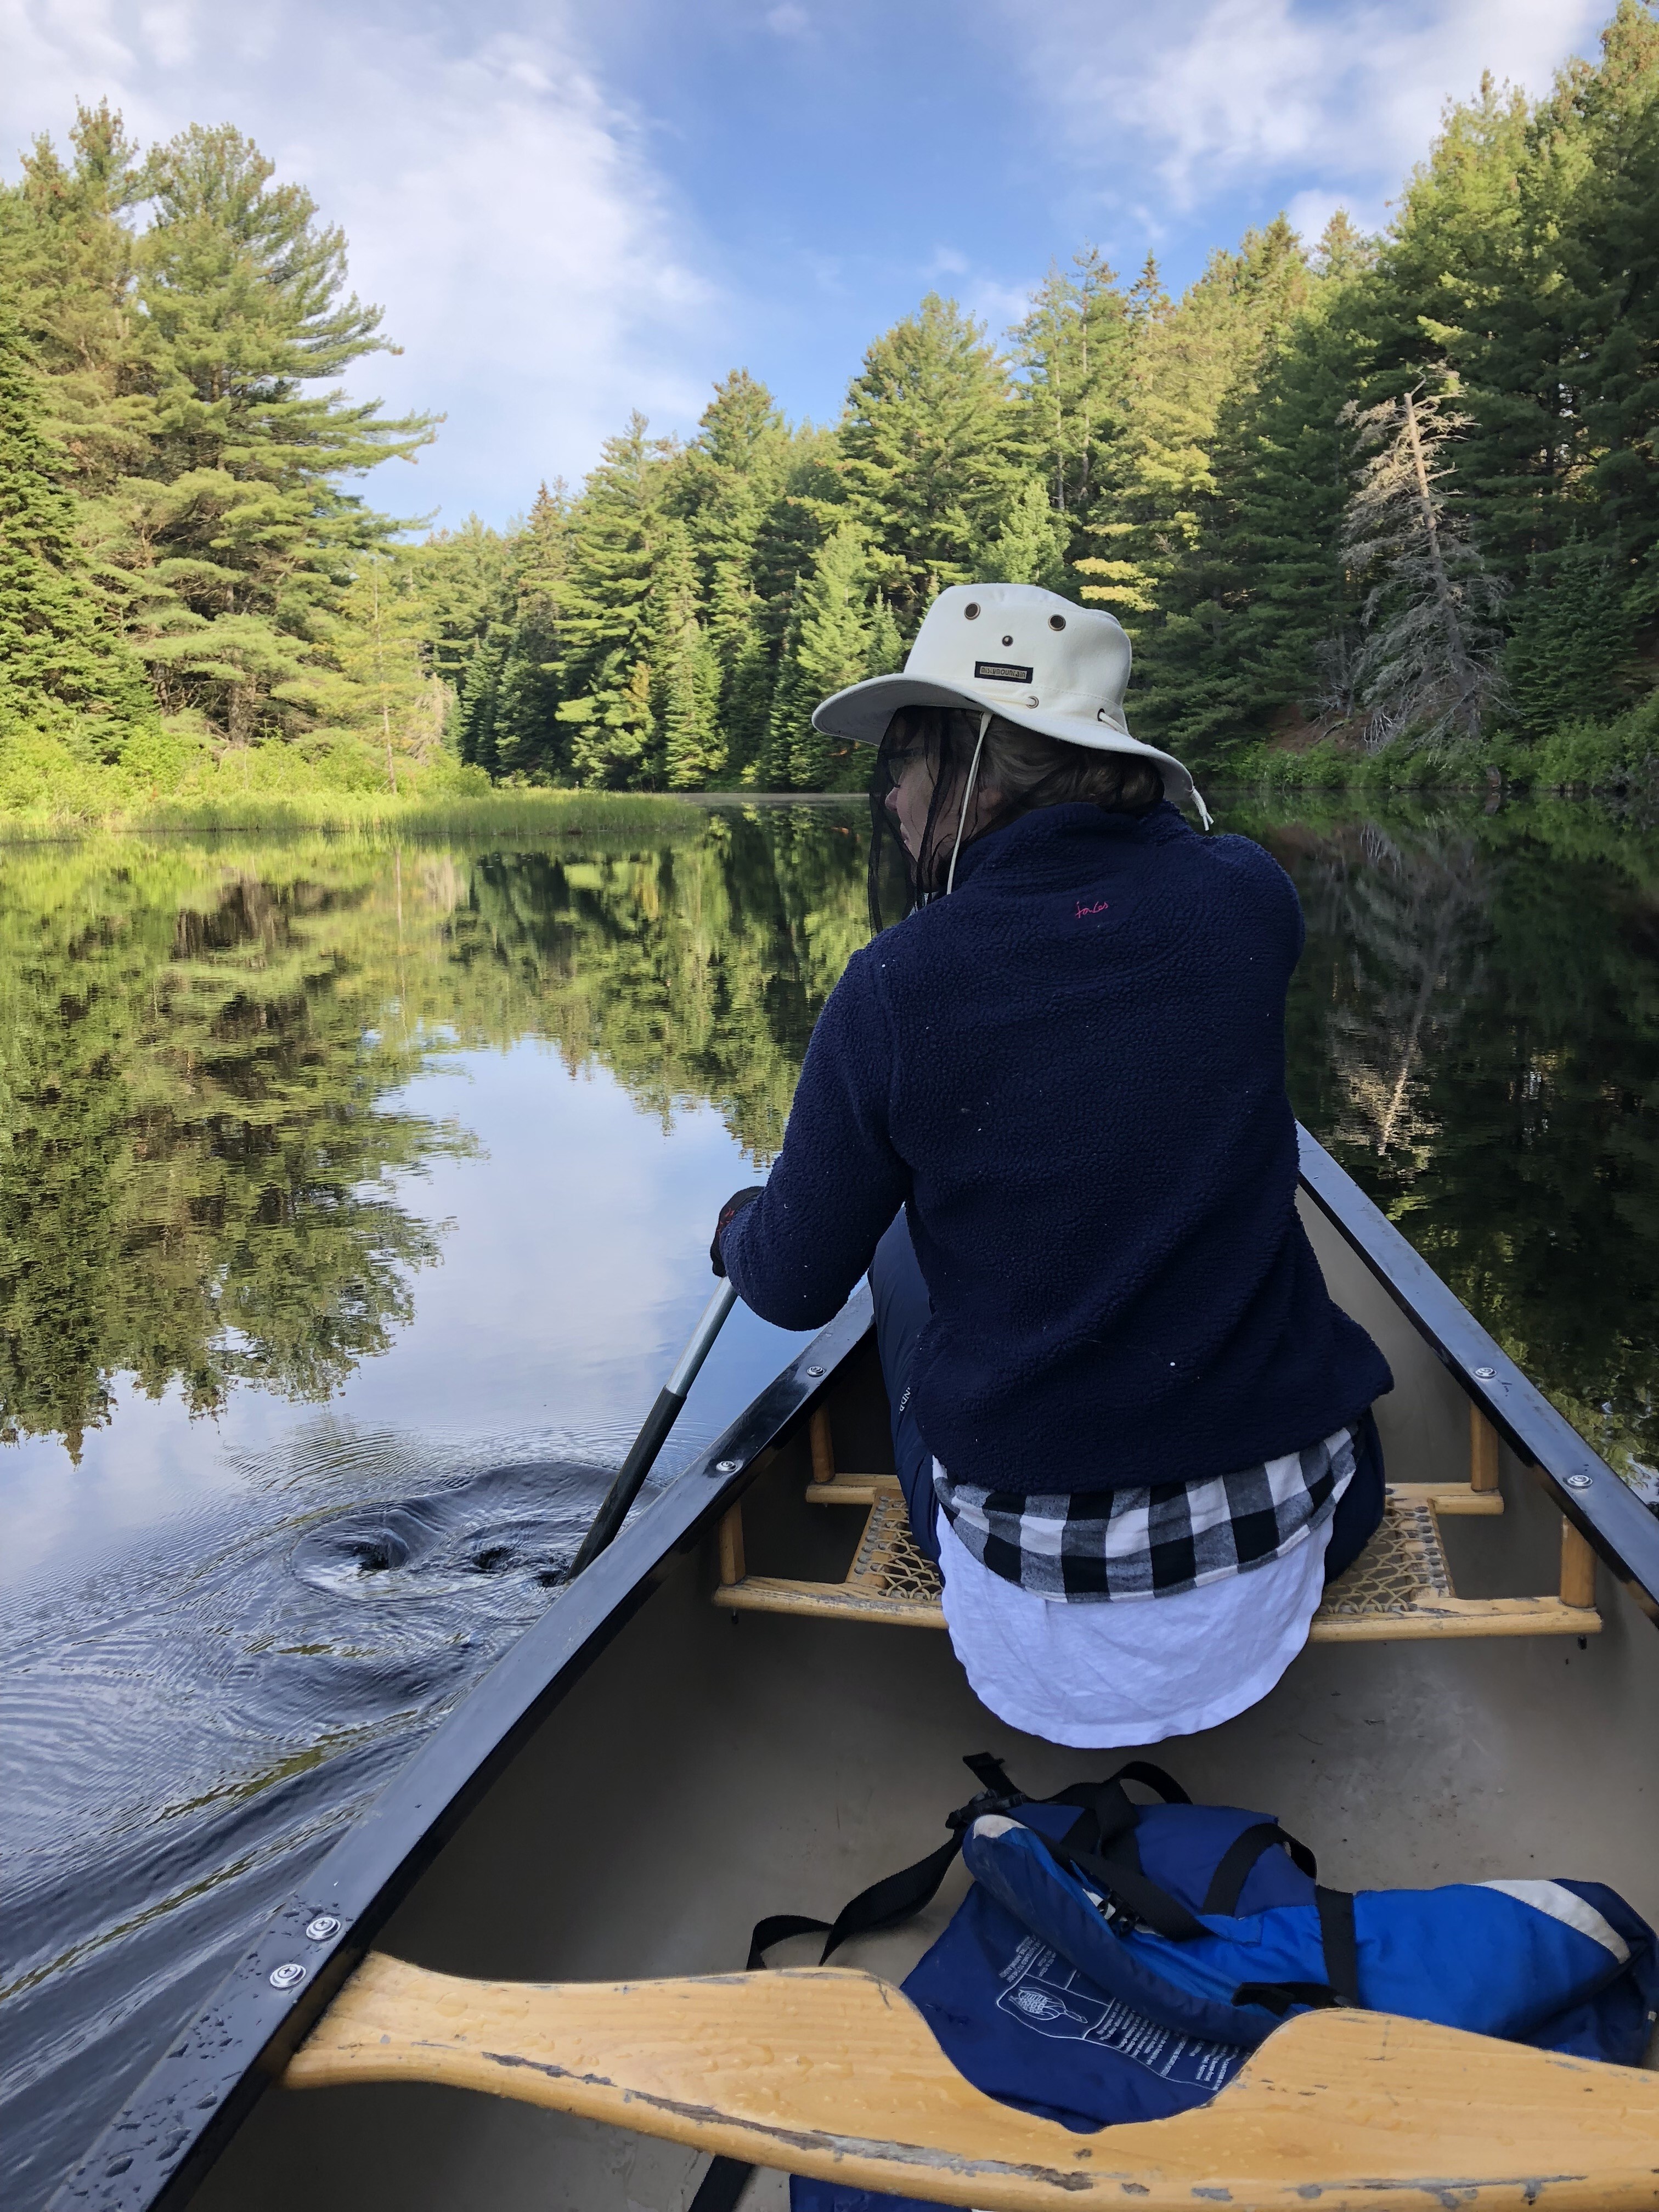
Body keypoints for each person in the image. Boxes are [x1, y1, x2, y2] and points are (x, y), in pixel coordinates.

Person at [712, 582, 1391, 1748]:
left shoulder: (893, 988)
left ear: (976, 763)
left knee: (893, 1254)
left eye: (907, 756)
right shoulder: (1250, 902)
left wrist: (738, 1224)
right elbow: (1153, 888)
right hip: (1279, 1563)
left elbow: (785, 1287)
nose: (887, 791)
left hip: (1028, 1612)